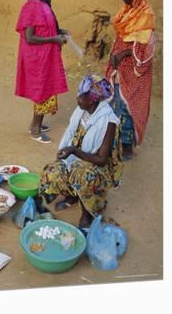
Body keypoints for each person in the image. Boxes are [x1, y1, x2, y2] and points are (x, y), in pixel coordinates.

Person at [38, 75, 123, 228]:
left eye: (81, 96)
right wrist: (67, 152)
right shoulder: (80, 111)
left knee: (81, 175)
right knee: (53, 170)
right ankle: (71, 196)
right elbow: (71, 135)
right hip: (76, 157)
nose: (77, 97)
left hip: (97, 167)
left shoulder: (108, 121)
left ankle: (88, 214)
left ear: (92, 99)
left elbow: (101, 159)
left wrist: (73, 151)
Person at [15, 0, 70, 143]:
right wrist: (54, 39)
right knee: (42, 90)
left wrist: (59, 31)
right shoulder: (31, 7)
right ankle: (36, 130)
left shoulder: (43, 3)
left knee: (45, 88)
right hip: (38, 58)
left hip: (46, 56)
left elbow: (45, 28)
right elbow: (30, 37)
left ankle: (34, 124)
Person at [106, 0, 156, 161]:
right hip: (120, 67)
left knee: (129, 108)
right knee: (115, 103)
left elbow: (147, 48)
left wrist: (125, 53)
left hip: (135, 71)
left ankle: (127, 147)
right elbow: (121, 37)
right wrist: (115, 55)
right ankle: (115, 143)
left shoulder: (145, 15)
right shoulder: (126, 11)